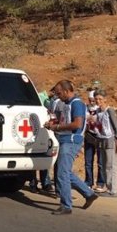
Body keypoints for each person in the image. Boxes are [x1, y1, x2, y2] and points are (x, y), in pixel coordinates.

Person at [44, 80, 98, 215]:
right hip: (64, 140)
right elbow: (65, 121)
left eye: (59, 93)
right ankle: (88, 193)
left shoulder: (77, 103)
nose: (58, 95)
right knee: (66, 172)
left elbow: (77, 124)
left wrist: (56, 127)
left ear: (67, 91)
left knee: (62, 173)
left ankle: (66, 205)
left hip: (71, 141)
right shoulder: (67, 104)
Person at [91, 90, 117, 197]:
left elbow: (116, 127)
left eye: (100, 99)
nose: (98, 101)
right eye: (96, 99)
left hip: (110, 141)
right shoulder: (98, 111)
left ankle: (113, 190)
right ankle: (108, 188)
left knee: (111, 165)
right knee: (104, 165)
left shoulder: (110, 111)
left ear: (105, 99)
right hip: (101, 140)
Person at [83, 90, 104, 190]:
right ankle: (88, 181)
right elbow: (85, 119)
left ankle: (100, 182)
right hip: (89, 135)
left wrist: (91, 118)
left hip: (99, 136)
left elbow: (97, 120)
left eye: (93, 100)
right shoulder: (85, 108)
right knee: (88, 161)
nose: (92, 102)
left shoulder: (100, 109)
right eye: (90, 100)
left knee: (100, 161)